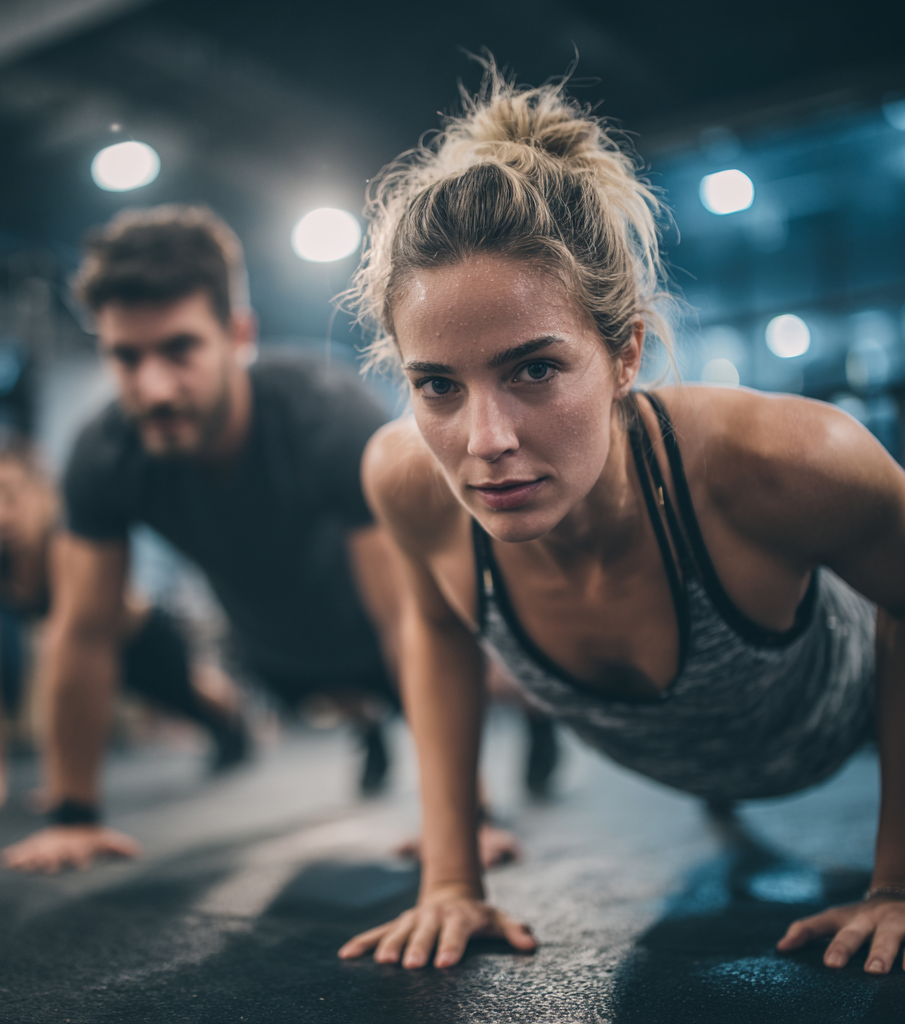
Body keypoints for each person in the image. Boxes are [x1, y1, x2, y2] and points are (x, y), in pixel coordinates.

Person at [336, 69, 905, 976]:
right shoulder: (403, 478)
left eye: (533, 370)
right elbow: (436, 637)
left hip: (838, 728)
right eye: (437, 383)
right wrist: (450, 879)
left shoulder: (787, 459)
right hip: (700, 775)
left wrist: (896, 881)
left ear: (626, 351)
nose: (485, 441)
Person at [0, 205, 522, 873]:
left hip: (374, 631)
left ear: (238, 334)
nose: (154, 388)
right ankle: (359, 726)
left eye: (179, 350)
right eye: (126, 358)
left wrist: (466, 821)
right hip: (268, 651)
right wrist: (72, 815)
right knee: (155, 641)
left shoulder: (325, 414)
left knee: (493, 668)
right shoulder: (105, 454)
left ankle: (524, 717)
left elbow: (407, 623)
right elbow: (85, 632)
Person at [0, 431, 246, 813]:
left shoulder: (66, 543)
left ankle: (241, 721)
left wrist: (67, 783)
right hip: (86, 654)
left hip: (142, 640)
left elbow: (66, 659)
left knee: (203, 700)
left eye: (7, 494)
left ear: (41, 490)